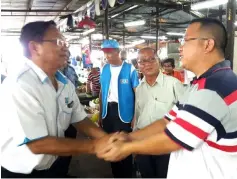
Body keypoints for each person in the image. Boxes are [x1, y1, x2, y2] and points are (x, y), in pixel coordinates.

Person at [97, 18, 237, 179]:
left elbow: (173, 139)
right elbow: (166, 121)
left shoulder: (214, 88)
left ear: (207, 45)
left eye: (185, 41)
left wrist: (126, 147)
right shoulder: (200, 85)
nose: (180, 48)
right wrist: (128, 137)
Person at [0, 20, 110, 178]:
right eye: (59, 42)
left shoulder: (64, 84)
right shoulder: (21, 85)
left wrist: (107, 139)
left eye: (65, 42)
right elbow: (36, 143)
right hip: (20, 172)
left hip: (52, 165)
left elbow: (79, 119)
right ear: (34, 47)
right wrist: (95, 146)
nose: (66, 47)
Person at [134, 47, 185, 178]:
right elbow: (138, 114)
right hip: (143, 143)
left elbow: (186, 114)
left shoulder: (174, 84)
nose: (148, 64)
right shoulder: (139, 89)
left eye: (152, 59)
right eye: (143, 61)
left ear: (158, 62)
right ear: (138, 65)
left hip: (166, 142)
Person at [100, 39, 139, 178]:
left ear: (117, 52)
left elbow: (137, 93)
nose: (107, 56)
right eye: (105, 53)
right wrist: (100, 114)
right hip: (108, 112)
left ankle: (128, 173)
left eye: (110, 52)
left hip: (124, 113)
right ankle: (116, 173)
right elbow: (102, 92)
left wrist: (135, 116)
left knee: (124, 142)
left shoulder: (129, 69)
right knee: (111, 142)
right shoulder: (104, 68)